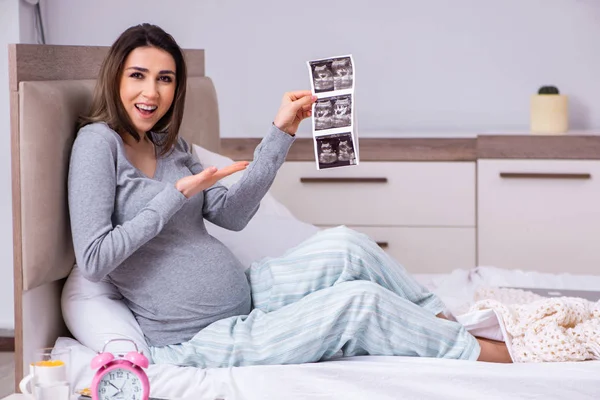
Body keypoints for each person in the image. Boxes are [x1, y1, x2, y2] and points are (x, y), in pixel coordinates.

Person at [68, 23, 512, 368]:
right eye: (138, 76)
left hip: (247, 294)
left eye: (164, 79)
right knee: (359, 302)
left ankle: (443, 325)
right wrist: (171, 198)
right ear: (116, 78)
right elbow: (93, 260)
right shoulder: (97, 143)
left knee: (348, 246)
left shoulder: (170, 144)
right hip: (199, 338)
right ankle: (486, 354)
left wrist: (280, 133)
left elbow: (232, 216)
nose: (152, 92)